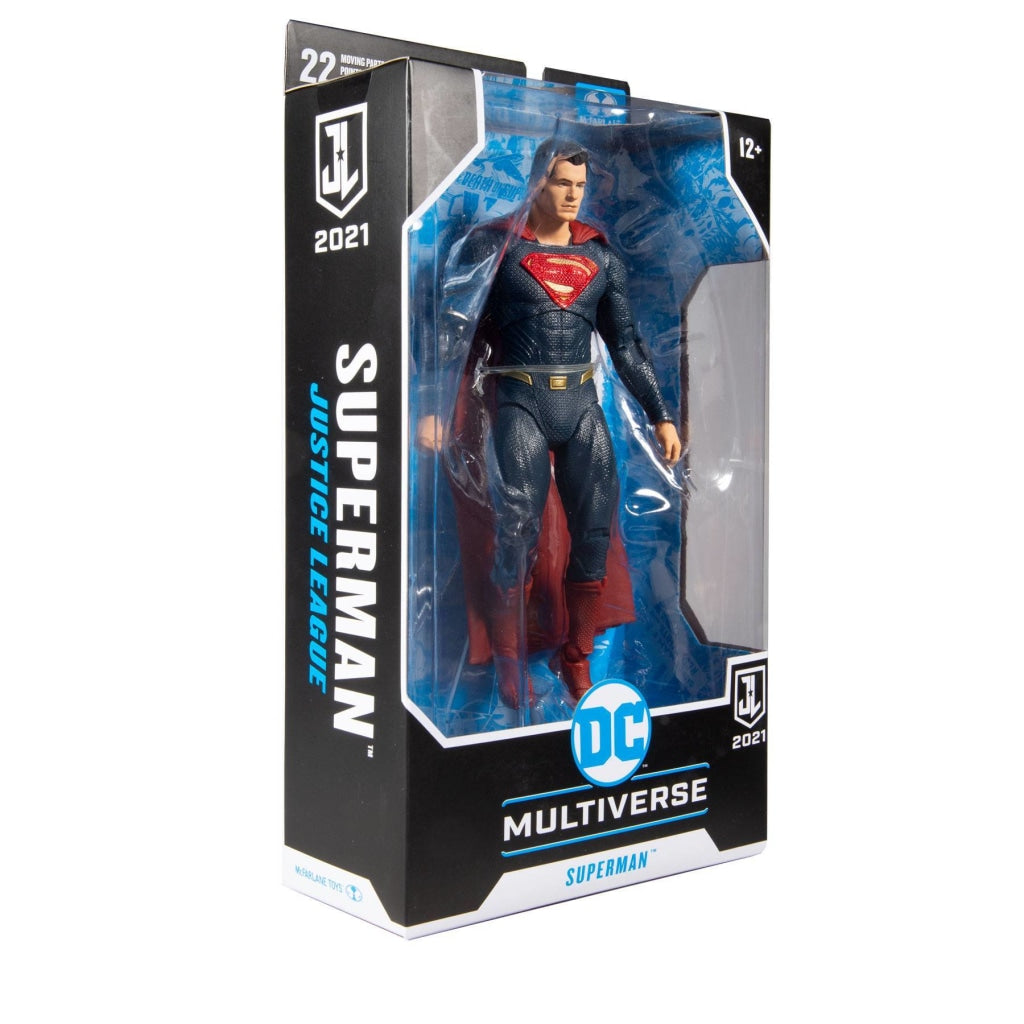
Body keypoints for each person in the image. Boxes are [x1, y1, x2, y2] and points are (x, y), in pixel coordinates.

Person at [418, 138, 681, 709]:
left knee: (593, 533)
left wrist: (659, 414)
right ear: (539, 180)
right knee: (515, 534)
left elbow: (626, 346)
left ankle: (576, 656)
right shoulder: (496, 247)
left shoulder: (600, 257)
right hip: (520, 402)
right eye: (563, 182)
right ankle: (508, 660)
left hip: (581, 405)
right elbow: (452, 329)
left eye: (581, 186)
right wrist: (435, 406)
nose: (573, 195)